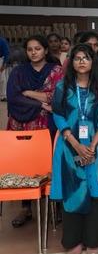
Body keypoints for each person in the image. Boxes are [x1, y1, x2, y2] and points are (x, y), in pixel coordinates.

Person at [51, 44, 98, 254]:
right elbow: (58, 114)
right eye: (77, 58)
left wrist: (93, 145)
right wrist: (75, 143)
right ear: (71, 63)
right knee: (72, 189)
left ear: (93, 61)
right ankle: (72, 240)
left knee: (96, 190)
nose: (81, 62)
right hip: (69, 146)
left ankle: (93, 240)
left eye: (86, 58)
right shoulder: (63, 86)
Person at [6, 35, 63, 227]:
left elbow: (57, 96)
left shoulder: (56, 71)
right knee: (25, 164)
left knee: (51, 162)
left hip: (49, 125)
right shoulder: (19, 71)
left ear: (45, 50)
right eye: (30, 49)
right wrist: (41, 104)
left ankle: (55, 203)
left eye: (37, 48)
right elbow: (14, 97)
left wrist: (29, 93)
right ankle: (26, 207)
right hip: (22, 124)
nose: (33, 52)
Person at [0, 35, 11, 101]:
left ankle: (2, 96)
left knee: (2, 79)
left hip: (0, 59)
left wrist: (4, 64)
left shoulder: (2, 41)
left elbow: (6, 52)